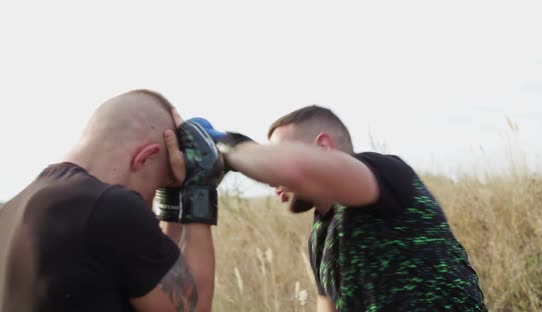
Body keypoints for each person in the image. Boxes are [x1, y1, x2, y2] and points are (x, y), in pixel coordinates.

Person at [193, 106, 487, 312]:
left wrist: (222, 144)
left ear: (323, 148)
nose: (273, 180)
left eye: (278, 152)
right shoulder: (320, 237)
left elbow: (293, 169)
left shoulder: (383, 175)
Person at [0, 89, 223, 312]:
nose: (151, 208)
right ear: (144, 158)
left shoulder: (13, 210)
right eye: (158, 187)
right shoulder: (111, 207)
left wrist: (172, 196)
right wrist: (198, 185)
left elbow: (156, 272)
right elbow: (193, 307)